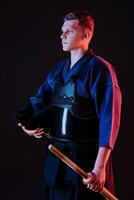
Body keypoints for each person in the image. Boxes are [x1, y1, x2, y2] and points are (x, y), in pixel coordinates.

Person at [17, 10, 122, 200]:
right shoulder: (59, 70)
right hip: (57, 160)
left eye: (69, 31)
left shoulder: (100, 70)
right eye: (62, 31)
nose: (62, 35)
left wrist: (100, 167)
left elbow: (110, 119)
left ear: (86, 34)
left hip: (86, 163)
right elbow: (40, 99)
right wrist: (27, 124)